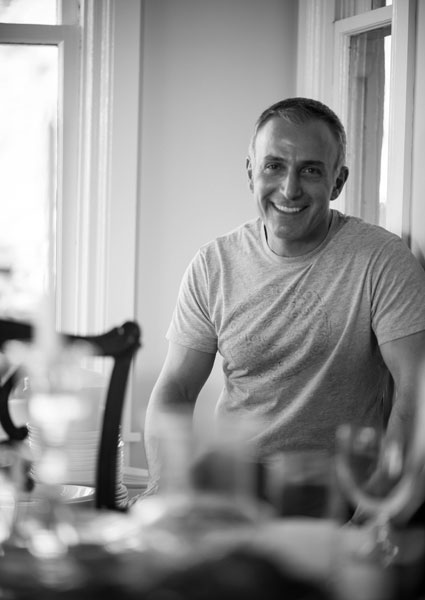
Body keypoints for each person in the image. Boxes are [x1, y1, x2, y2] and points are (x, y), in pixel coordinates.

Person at [142, 97, 425, 499]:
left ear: (338, 181)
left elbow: (416, 389)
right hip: (234, 484)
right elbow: (176, 388)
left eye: (310, 170)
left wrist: (376, 506)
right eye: (274, 166)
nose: (289, 189)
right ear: (251, 173)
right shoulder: (213, 264)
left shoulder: (381, 259)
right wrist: (164, 488)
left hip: (337, 488)